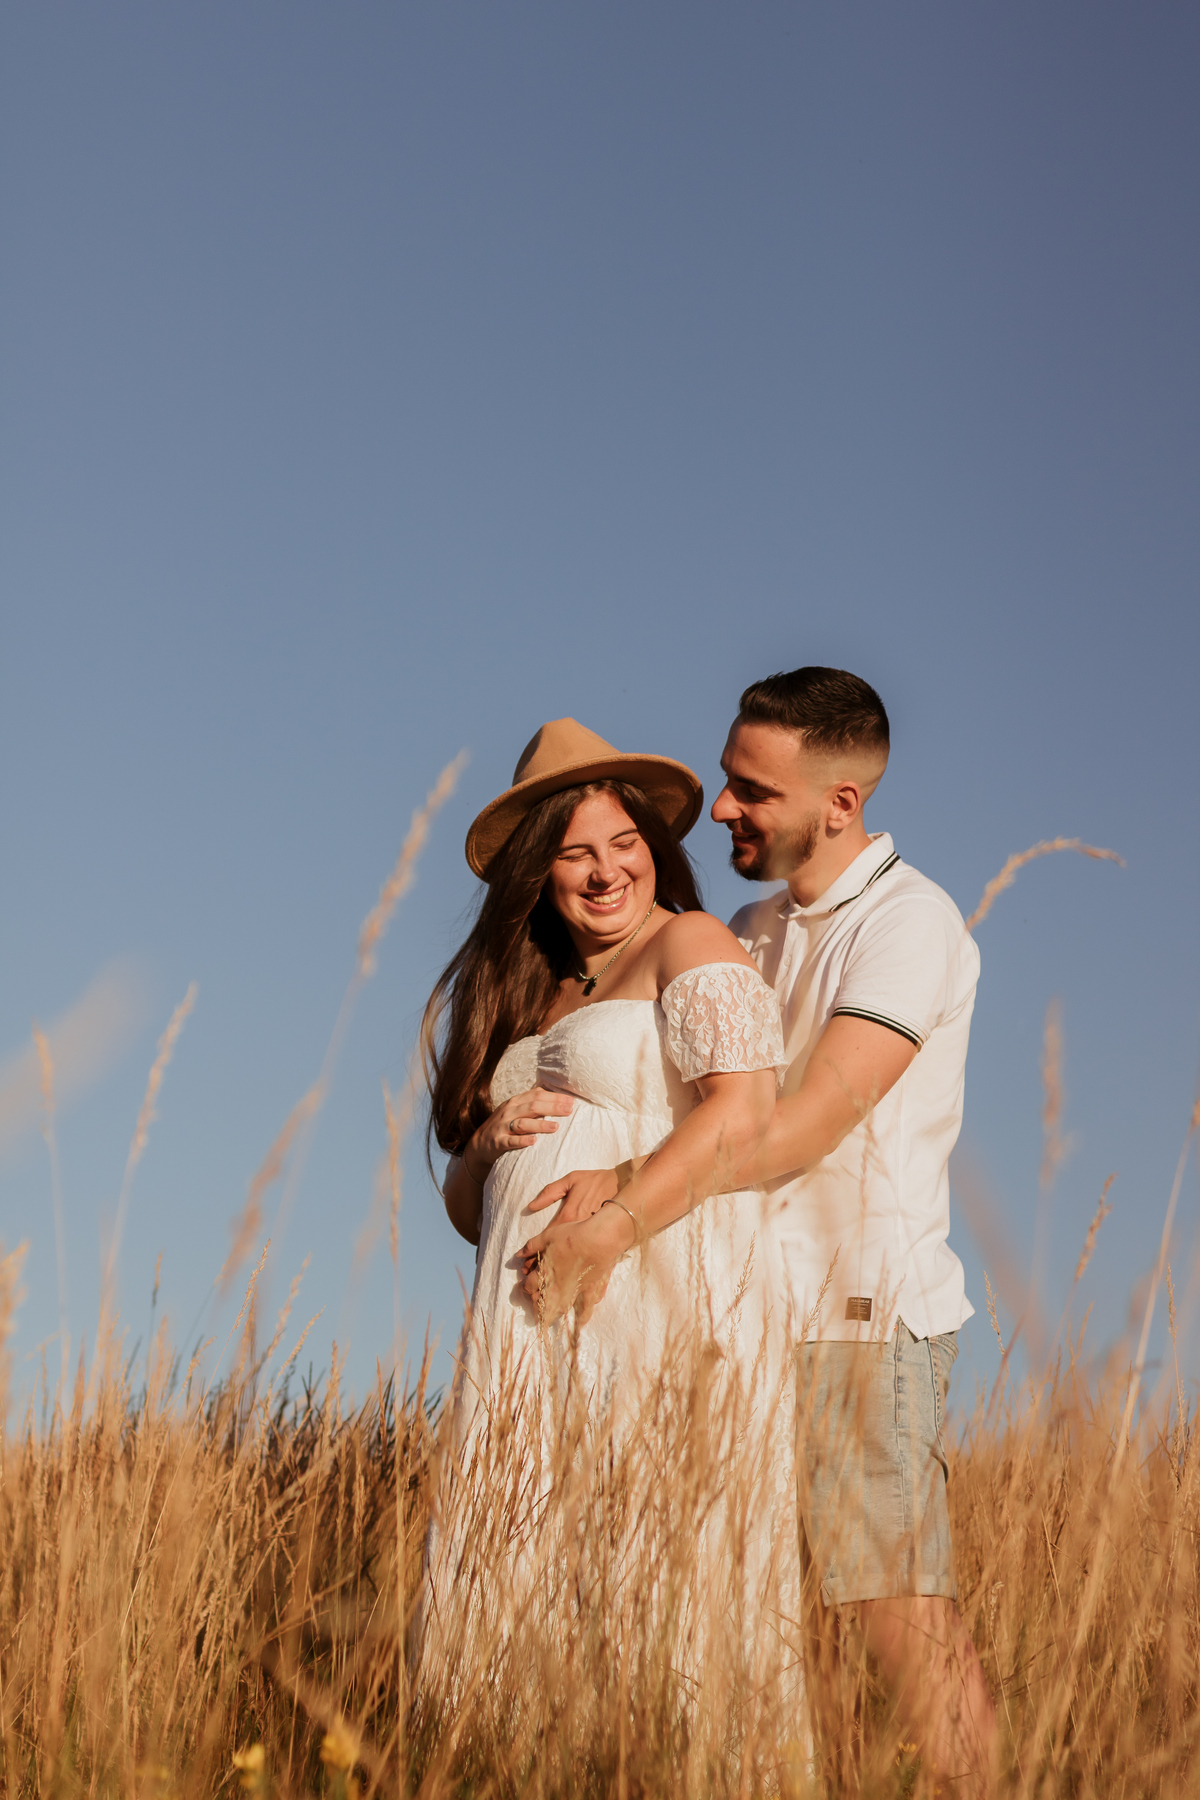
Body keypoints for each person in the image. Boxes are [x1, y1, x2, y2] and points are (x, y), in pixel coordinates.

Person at [521, 668, 998, 1796]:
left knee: (895, 1616)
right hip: (733, 1322)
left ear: (840, 804)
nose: (723, 808)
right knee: (776, 1632)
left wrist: (618, 1207)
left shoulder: (908, 925)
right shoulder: (746, 929)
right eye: (730, 780)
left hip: (853, 1320)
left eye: (752, 790)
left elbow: (803, 1125)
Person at [421, 715, 796, 1692]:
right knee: (523, 1555)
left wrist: (611, 1221)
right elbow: (470, 1211)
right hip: (524, 1320)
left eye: (624, 843)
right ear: (536, 872)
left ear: (654, 847)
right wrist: (484, 1149)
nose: (605, 872)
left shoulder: (689, 941)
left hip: (649, 1292)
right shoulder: (533, 988)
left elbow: (745, 1112)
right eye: (575, 853)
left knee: (651, 1560)